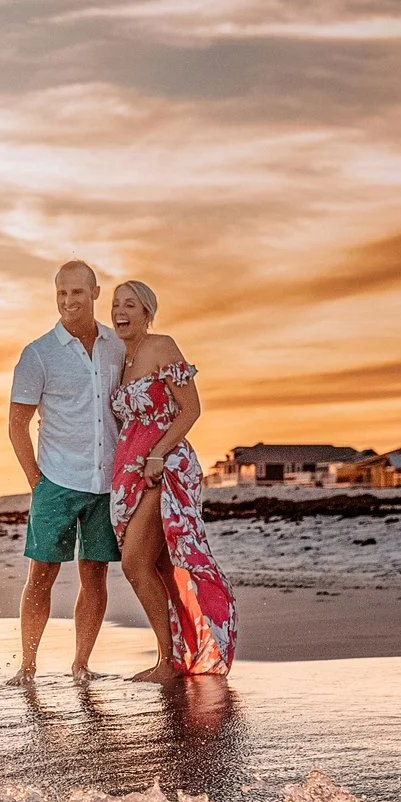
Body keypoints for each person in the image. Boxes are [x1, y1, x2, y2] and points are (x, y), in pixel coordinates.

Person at [107, 278, 236, 680]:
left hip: (165, 467)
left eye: (130, 305)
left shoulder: (162, 346)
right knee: (161, 567)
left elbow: (191, 409)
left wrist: (159, 454)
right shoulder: (119, 358)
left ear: (147, 312)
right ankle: (180, 657)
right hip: (129, 470)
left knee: (134, 563)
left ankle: (166, 661)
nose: (120, 312)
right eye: (115, 305)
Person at [7, 259, 125, 681]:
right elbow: (16, 424)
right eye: (61, 293)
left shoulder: (118, 347)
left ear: (95, 293)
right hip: (56, 482)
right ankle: (28, 665)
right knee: (42, 574)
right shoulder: (38, 354)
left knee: (96, 573)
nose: (68, 301)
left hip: (106, 482)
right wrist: (36, 482)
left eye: (77, 292)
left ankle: (81, 664)